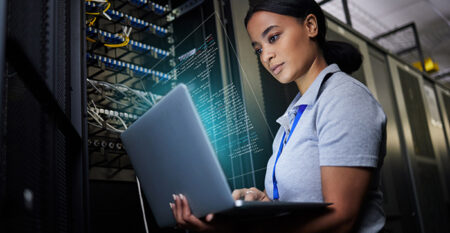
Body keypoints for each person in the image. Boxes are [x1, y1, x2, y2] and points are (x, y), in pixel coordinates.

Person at [170, 0, 387, 232]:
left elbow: (341, 218)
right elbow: (304, 203)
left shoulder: (344, 97)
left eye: (273, 38)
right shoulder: (293, 117)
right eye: (259, 49)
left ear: (310, 26)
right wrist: (264, 201)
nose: (266, 56)